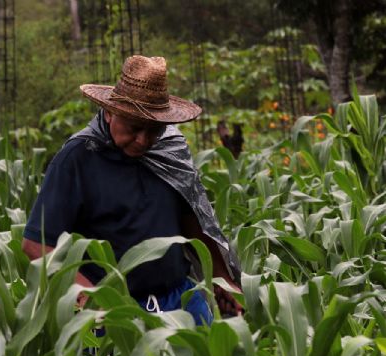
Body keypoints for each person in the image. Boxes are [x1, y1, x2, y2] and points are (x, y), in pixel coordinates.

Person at [22, 56, 242, 325]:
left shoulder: (169, 149)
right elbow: (37, 244)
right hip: (114, 314)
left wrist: (220, 278)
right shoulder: (78, 158)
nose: (143, 141)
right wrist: (90, 296)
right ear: (109, 112)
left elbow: (191, 219)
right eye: (134, 128)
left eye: (154, 130)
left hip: (181, 301)